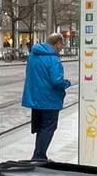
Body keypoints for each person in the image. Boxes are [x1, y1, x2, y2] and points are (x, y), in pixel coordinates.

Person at [21, 33, 71, 161]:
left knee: (41, 128)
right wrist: (66, 83)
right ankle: (39, 156)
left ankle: (39, 154)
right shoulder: (53, 59)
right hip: (50, 99)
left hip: (36, 98)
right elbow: (57, 81)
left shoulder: (33, 56)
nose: (62, 47)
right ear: (57, 44)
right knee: (48, 128)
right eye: (62, 44)